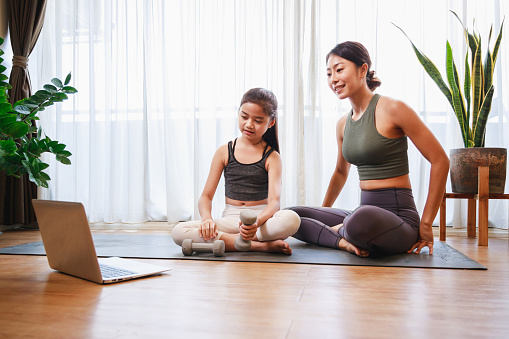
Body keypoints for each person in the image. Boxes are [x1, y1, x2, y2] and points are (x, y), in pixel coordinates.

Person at [288, 41, 449, 257]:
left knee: (359, 221)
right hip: (362, 213)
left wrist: (427, 224)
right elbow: (340, 172)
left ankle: (336, 232)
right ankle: (343, 241)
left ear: (362, 69)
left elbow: (440, 160)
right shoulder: (343, 125)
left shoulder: (394, 109)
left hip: (398, 220)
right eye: (328, 73)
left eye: (339, 70)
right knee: (291, 217)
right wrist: (322, 212)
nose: (333, 79)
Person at [172, 88, 301, 254]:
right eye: (244, 116)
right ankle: (260, 246)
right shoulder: (224, 151)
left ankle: (233, 240)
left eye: (258, 120)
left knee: (292, 219)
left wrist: (255, 224)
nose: (249, 124)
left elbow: (274, 203)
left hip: (261, 221)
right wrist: (207, 220)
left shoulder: (272, 157)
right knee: (178, 232)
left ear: (271, 123)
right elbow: (206, 197)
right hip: (231, 220)